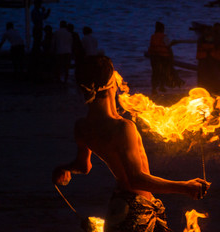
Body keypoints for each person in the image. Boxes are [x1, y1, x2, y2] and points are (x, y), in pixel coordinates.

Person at [52, 55, 210, 232]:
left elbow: (83, 166)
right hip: (137, 213)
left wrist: (64, 168)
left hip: (120, 207)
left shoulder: (82, 126)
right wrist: (185, 187)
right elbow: (136, 179)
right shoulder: (123, 127)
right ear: (111, 82)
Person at [148, 22, 177, 95]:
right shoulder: (164, 37)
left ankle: (154, 89)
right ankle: (161, 86)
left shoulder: (153, 36)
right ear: (162, 29)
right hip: (164, 57)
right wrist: (171, 57)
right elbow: (168, 46)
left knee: (155, 73)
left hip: (154, 57)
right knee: (164, 72)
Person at [196, 23, 220, 94]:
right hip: (207, 61)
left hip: (213, 61)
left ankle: (216, 92)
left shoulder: (216, 38)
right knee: (206, 80)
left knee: (214, 79)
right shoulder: (204, 39)